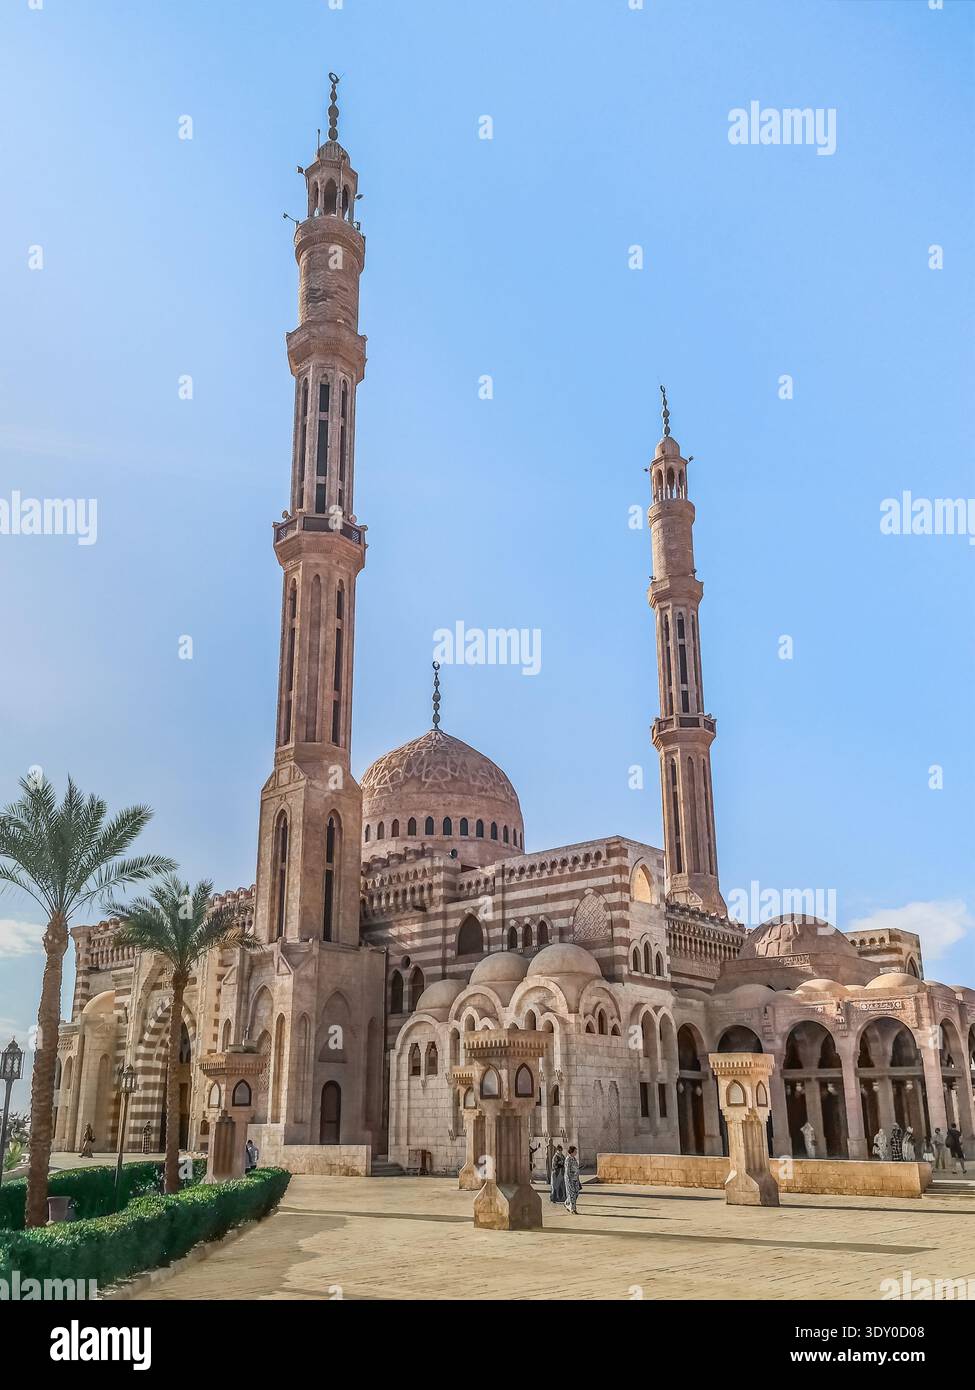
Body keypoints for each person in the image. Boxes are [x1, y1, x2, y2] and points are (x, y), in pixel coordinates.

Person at [563, 1145, 581, 1214]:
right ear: (572, 1151)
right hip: (570, 1179)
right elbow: (567, 1171)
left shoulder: (574, 1158)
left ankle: (566, 1203)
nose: (576, 1152)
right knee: (572, 1194)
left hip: (576, 1179)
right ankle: (573, 1209)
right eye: (575, 1151)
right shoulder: (568, 1159)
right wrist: (569, 1180)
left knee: (576, 1193)